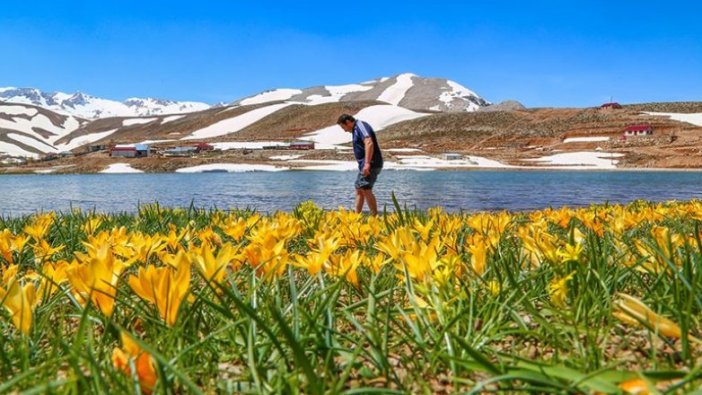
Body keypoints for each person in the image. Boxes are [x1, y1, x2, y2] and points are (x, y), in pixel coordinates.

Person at [337, 114, 383, 215]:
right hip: (365, 165)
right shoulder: (355, 129)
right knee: (359, 188)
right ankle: (356, 216)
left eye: (343, 127)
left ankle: (374, 217)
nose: (344, 130)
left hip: (371, 163)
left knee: (365, 188)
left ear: (348, 122)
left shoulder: (360, 126)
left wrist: (367, 163)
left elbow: (369, 142)